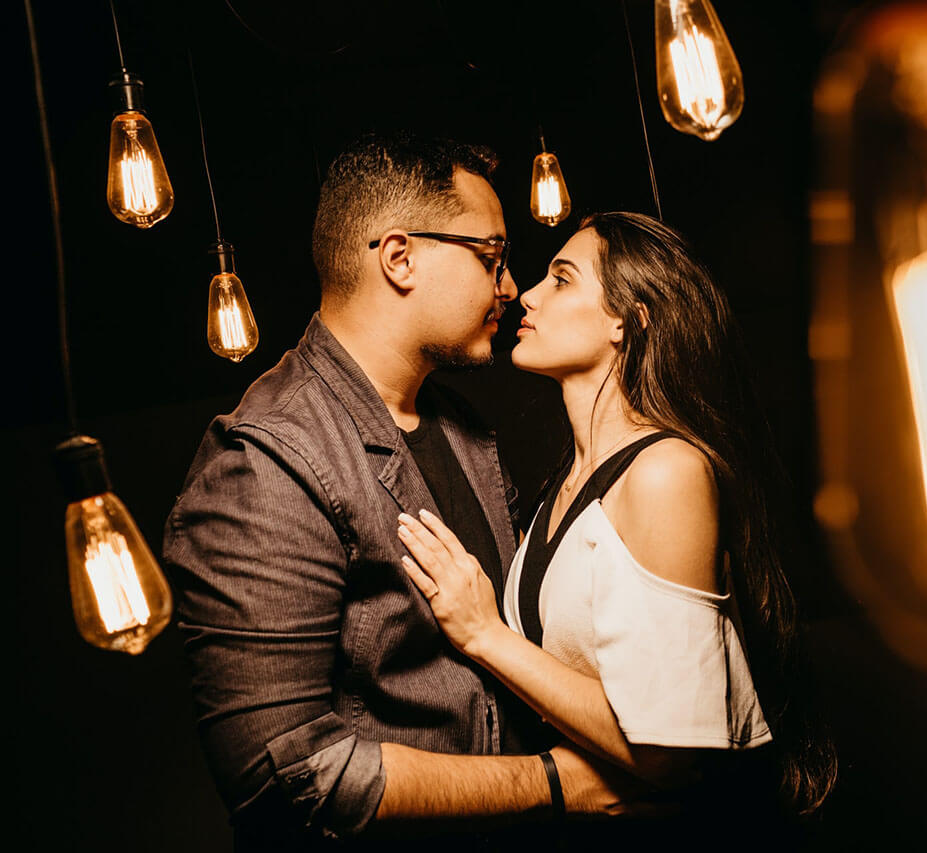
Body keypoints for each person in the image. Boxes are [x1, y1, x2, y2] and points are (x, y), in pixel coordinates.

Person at [163, 134, 632, 851]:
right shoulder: (267, 459)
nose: (509, 287)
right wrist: (555, 783)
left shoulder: (461, 424)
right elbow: (291, 775)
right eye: (492, 257)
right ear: (400, 257)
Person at [394, 212, 837, 840]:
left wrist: (484, 635)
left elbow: (672, 755)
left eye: (562, 279)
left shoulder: (665, 471)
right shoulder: (564, 483)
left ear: (626, 320)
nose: (527, 294)